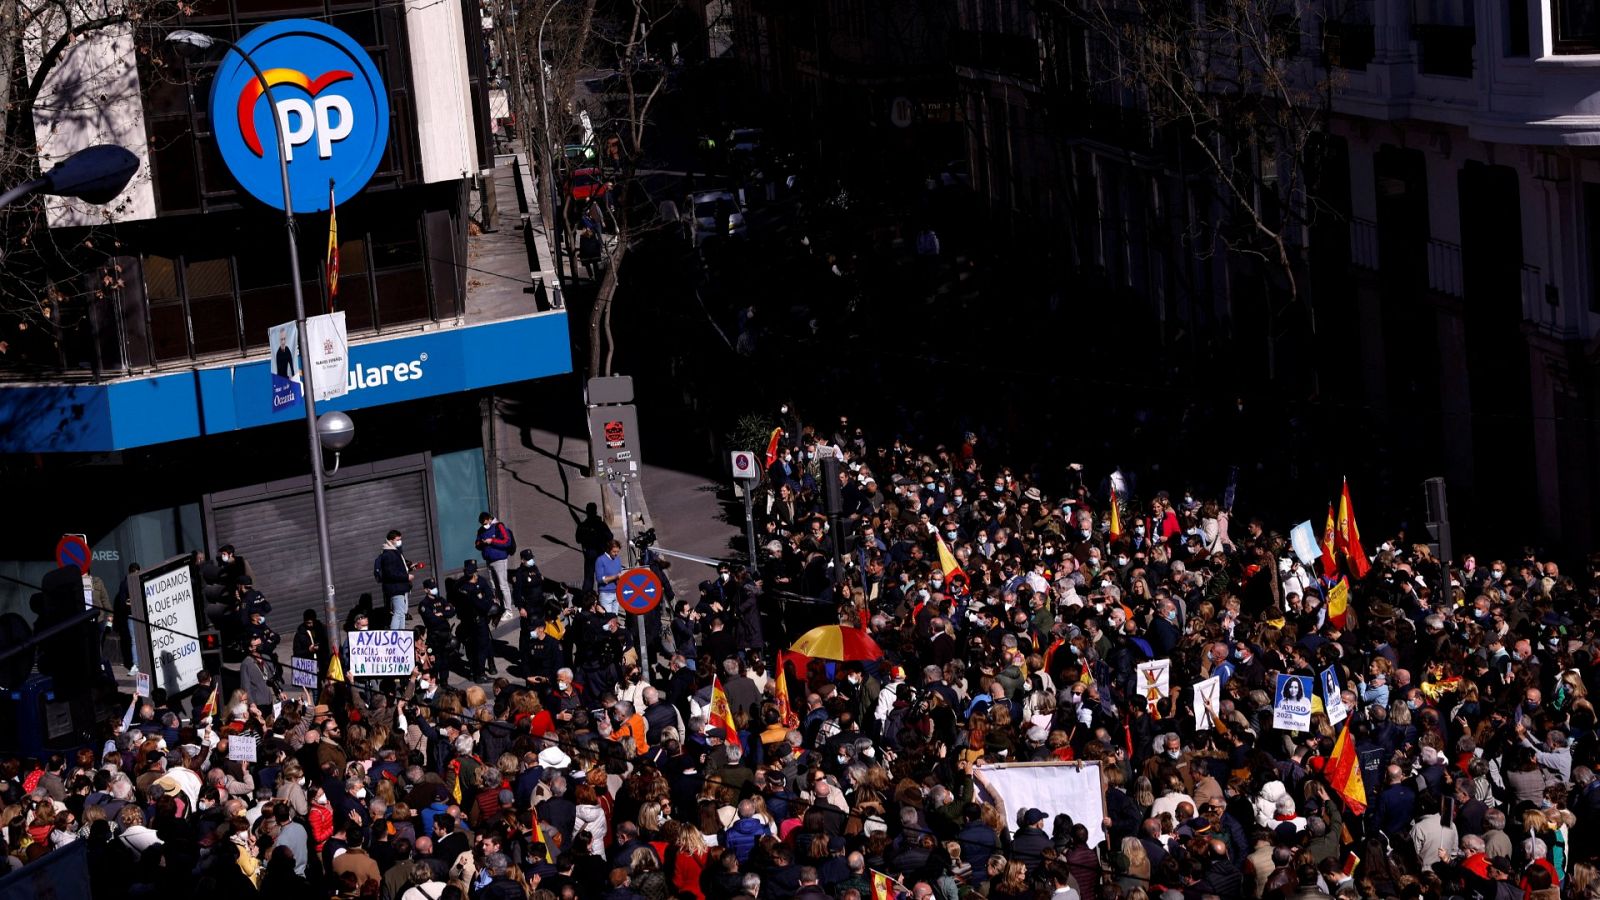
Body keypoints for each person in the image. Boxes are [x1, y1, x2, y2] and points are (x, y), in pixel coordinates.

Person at [475, 512, 515, 608]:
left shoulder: (499, 526)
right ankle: (500, 606)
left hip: (499, 560)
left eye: (485, 523)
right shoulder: (481, 530)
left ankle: (508, 609)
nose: (484, 526)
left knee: (503, 585)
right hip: (489, 560)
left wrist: (492, 541)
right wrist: (482, 543)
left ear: (489, 519)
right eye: (482, 524)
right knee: (494, 586)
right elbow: (477, 543)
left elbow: (507, 541)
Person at [376, 529, 414, 631]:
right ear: (391, 540)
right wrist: (406, 577)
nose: (400, 542)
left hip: (399, 587)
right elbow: (391, 574)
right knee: (398, 613)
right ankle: (394, 635)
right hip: (395, 588)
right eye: (398, 539)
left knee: (401, 613)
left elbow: (397, 569)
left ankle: (401, 633)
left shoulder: (394, 552)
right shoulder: (388, 554)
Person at [576, 502, 613, 594]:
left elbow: (578, 539)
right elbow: (610, 536)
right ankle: (603, 593)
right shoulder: (600, 524)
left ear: (587, 511)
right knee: (601, 576)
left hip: (589, 554)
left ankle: (587, 595)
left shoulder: (583, 525)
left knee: (588, 576)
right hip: (600, 553)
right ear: (595, 511)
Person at [595, 540, 625, 616]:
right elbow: (600, 579)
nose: (616, 554)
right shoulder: (600, 560)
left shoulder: (617, 559)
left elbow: (620, 573)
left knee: (614, 618)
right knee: (607, 620)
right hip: (606, 594)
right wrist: (615, 577)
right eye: (614, 552)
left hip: (617, 592)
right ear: (608, 550)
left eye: (618, 551)